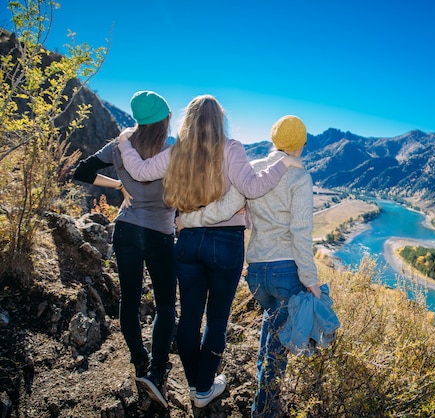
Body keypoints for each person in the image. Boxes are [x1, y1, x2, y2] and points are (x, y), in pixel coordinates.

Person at [117, 95, 303, 409]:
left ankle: (198, 385)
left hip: (187, 239)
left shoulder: (178, 151)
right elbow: (254, 188)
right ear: (220, 120)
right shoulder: (231, 148)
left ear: (187, 121)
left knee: (189, 317)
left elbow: (140, 171)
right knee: (217, 320)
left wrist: (124, 143)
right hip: (227, 242)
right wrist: (284, 162)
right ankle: (203, 388)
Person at [180, 115, 330, 417]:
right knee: (279, 346)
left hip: (258, 272)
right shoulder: (299, 176)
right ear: (300, 145)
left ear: (275, 141)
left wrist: (187, 220)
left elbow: (223, 209)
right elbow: (300, 233)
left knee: (272, 328)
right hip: (286, 270)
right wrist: (311, 280)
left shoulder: (254, 170)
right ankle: (264, 410)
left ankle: (263, 395)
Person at [72, 91, 176, 409]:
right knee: (165, 305)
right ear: (164, 119)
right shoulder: (171, 148)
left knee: (129, 299)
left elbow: (82, 171)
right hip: (160, 234)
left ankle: (138, 360)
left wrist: (119, 185)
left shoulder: (120, 145)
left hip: (127, 229)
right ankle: (157, 371)